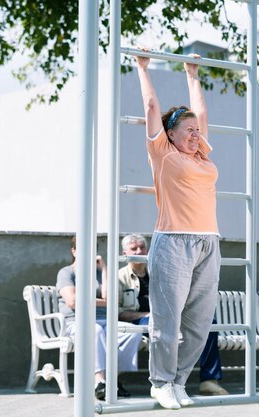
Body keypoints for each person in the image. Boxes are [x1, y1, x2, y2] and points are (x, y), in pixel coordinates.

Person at [135, 50, 222, 410]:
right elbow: (152, 106)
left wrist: (192, 74)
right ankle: (161, 382)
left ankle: (179, 381)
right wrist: (143, 67)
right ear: (169, 134)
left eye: (196, 131)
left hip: (208, 243)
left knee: (200, 324)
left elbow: (200, 114)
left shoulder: (200, 154)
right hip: (172, 242)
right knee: (167, 323)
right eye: (187, 131)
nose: (195, 134)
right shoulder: (163, 153)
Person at [117, 234, 229, 397]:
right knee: (163, 326)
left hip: (170, 315)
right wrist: (149, 314)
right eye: (134, 249)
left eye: (142, 247)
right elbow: (118, 312)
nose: (139, 251)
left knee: (208, 324)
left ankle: (209, 381)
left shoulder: (159, 270)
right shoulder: (120, 277)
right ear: (125, 253)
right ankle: (167, 382)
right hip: (141, 321)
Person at [56, 236, 143, 401]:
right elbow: (73, 302)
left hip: (105, 322)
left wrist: (104, 269)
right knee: (94, 330)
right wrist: (101, 302)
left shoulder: (98, 272)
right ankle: (99, 381)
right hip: (75, 323)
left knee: (132, 332)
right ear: (74, 251)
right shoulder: (66, 273)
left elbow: (111, 300)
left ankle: (111, 380)